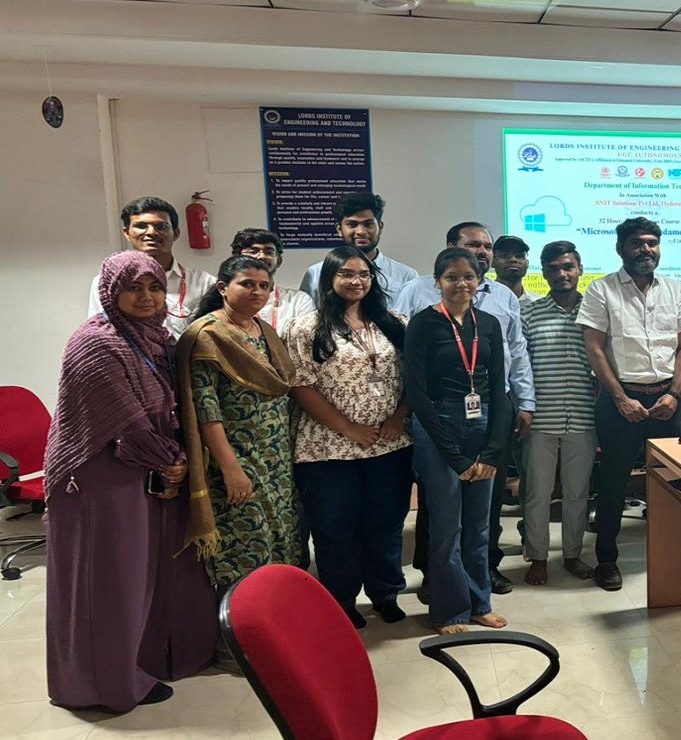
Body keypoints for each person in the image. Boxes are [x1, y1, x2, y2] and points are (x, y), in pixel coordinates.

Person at [45, 251, 217, 713]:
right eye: (133, 288)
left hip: (146, 470)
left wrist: (178, 459)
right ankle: (102, 687)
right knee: (109, 580)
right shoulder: (95, 343)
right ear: (110, 292)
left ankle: (142, 662)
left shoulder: (158, 339)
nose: (146, 297)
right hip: (100, 476)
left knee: (140, 576)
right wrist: (171, 460)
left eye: (154, 287)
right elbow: (128, 420)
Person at [396, 221, 534, 596]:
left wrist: (525, 402)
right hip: (439, 413)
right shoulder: (417, 298)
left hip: (489, 411)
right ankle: (440, 585)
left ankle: (480, 585)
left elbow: (515, 353)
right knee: (441, 513)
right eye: (474, 245)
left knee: (483, 512)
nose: (482, 252)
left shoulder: (500, 300)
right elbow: (406, 361)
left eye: (487, 247)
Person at [285, 246, 414, 628]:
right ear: (329, 279)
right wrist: (348, 428)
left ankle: (386, 593)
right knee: (334, 527)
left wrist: (398, 417)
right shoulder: (305, 327)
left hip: (389, 443)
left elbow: (416, 378)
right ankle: (341, 601)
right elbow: (300, 385)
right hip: (327, 448)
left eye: (364, 274)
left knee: (386, 522)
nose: (356, 281)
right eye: (346, 274)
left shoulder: (394, 323)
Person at [578, 217, 681, 591]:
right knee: (614, 482)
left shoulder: (676, 290)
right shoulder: (601, 290)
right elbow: (595, 347)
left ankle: (674, 555)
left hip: (667, 401)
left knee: (672, 482)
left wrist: (674, 394)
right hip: (620, 402)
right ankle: (607, 559)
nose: (646, 249)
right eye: (636, 242)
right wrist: (620, 397)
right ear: (620, 249)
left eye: (652, 242)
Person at [178, 256, 299, 611]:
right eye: (247, 284)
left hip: (275, 458)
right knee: (246, 544)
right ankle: (241, 629)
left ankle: (278, 623)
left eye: (264, 286)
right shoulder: (207, 336)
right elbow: (206, 409)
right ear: (222, 288)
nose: (257, 291)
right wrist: (231, 469)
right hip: (234, 458)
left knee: (281, 538)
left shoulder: (264, 331)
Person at [404, 248, 512, 633]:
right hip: (439, 423)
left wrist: (493, 452)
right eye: (451, 277)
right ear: (438, 282)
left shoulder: (489, 323)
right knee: (447, 525)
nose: (461, 284)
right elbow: (416, 392)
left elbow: (499, 387)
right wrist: (454, 457)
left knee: (479, 526)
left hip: (482, 421)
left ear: (479, 281)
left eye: (468, 277)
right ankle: (450, 610)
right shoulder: (422, 324)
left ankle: (480, 602)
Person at [519, 241, 597, 586]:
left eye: (568, 267)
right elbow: (520, 367)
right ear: (544, 273)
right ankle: (538, 557)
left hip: (583, 416)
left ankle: (572, 555)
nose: (561, 274)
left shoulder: (595, 313)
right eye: (553, 268)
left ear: (580, 269)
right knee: (537, 493)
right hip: (541, 419)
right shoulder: (529, 314)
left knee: (578, 492)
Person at [88, 196, 215, 340]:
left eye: (161, 226)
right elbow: (100, 333)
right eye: (141, 226)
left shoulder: (204, 282)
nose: (151, 232)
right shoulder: (106, 284)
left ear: (176, 233)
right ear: (127, 233)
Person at [300, 193, 418, 307]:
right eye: (352, 225)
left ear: (380, 227)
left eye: (368, 224)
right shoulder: (316, 273)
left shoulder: (406, 276)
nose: (361, 231)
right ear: (339, 229)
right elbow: (307, 316)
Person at [230, 227, 316, 335]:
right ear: (237, 259)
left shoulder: (298, 300)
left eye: (269, 252)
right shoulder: (227, 300)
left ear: (279, 261)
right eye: (253, 251)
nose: (262, 256)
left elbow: (307, 339)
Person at [492, 235, 538, 304]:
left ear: (527, 263)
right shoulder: (481, 300)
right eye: (504, 255)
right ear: (492, 262)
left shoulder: (536, 303)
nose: (513, 259)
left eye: (519, 256)